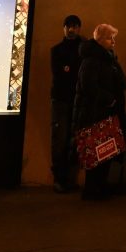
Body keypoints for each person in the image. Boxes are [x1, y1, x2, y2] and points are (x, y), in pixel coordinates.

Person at [73, 23, 126, 201]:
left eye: (113, 38)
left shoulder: (107, 58)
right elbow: (88, 86)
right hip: (96, 113)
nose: (113, 42)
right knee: (96, 152)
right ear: (100, 40)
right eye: (109, 38)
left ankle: (100, 186)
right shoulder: (92, 60)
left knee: (105, 152)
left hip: (105, 112)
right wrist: (109, 99)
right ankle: (93, 188)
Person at [50, 14, 84, 192]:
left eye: (74, 26)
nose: (71, 30)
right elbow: (60, 74)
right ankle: (60, 178)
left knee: (75, 139)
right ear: (63, 28)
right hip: (62, 99)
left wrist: (68, 70)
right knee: (60, 139)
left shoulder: (84, 48)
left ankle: (70, 178)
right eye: (68, 26)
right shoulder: (57, 50)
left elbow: (71, 73)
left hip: (76, 99)